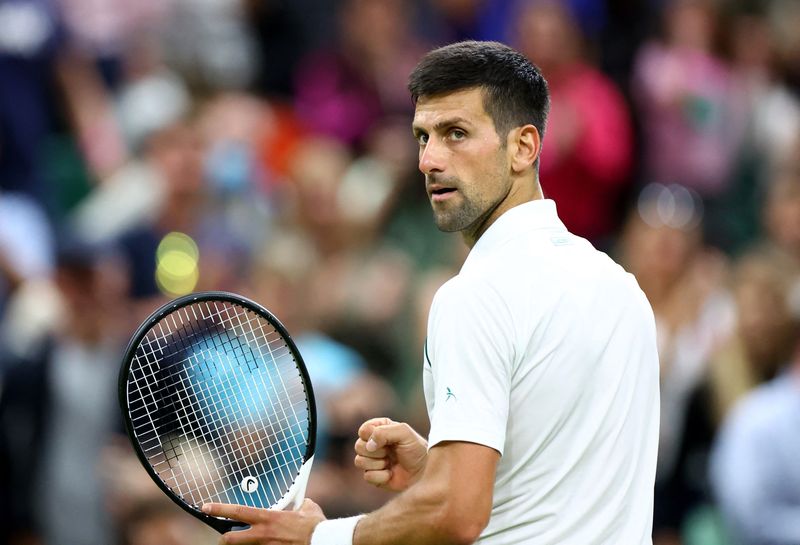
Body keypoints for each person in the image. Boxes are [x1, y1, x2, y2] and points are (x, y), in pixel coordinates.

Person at [202, 40, 660, 544]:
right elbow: (556, 489)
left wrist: (319, 537)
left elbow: (457, 514)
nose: (429, 160)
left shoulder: (475, 296)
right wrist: (435, 469)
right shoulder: (621, 288)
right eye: (423, 138)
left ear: (524, 147)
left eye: (456, 134)